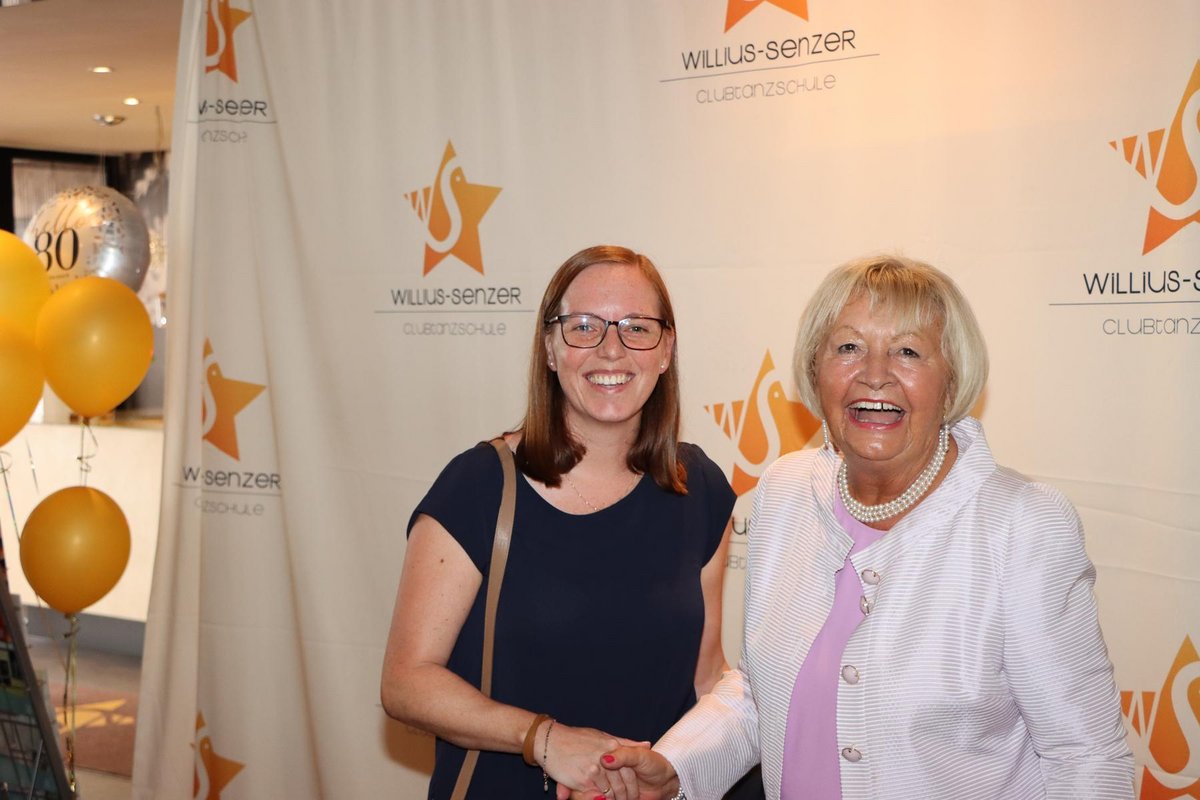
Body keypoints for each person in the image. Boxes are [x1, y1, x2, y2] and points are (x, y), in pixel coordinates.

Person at [586, 255, 1134, 799]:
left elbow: (1087, 759)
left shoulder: (1021, 525)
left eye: (908, 351)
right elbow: (762, 693)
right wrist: (675, 766)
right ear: (814, 371)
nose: (874, 374)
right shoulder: (785, 490)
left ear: (951, 381)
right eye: (848, 348)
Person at [381, 245, 737, 799]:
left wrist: (675, 769)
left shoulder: (699, 487)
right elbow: (406, 682)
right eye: (584, 327)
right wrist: (544, 739)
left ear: (666, 350)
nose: (612, 349)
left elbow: (706, 675)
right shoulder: (479, 486)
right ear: (550, 348)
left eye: (636, 328)